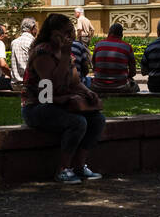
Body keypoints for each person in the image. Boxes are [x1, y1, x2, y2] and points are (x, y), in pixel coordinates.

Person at [21, 12, 105, 183]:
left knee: (97, 120)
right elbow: (51, 87)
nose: (71, 36)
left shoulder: (65, 52)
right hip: (37, 107)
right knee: (77, 123)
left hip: (60, 104)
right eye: (66, 32)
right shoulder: (42, 52)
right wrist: (65, 55)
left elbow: (74, 81)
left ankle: (80, 166)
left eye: (71, 31)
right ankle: (63, 169)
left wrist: (87, 92)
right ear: (53, 33)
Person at [91, 23, 140, 94]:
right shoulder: (127, 47)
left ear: (109, 33)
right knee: (135, 86)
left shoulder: (98, 45)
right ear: (121, 35)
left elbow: (94, 66)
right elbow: (133, 72)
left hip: (98, 86)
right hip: (120, 86)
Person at [10, 18, 37, 83]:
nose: (37, 30)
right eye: (36, 27)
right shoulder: (33, 42)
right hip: (29, 84)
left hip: (15, 84)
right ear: (32, 28)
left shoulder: (14, 42)